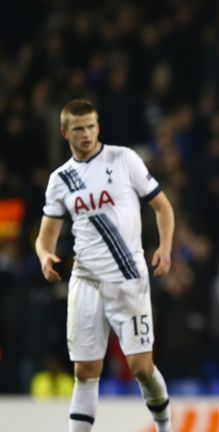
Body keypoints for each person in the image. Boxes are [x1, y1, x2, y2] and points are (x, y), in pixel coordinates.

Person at [35, 99, 175, 432]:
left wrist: (165, 248)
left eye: (91, 126)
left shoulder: (123, 159)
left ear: (98, 126)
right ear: (64, 132)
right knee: (85, 371)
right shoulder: (61, 179)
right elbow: (46, 235)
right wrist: (45, 256)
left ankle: (166, 427)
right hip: (85, 280)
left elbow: (163, 207)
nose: (86, 134)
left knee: (141, 367)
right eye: (79, 128)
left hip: (128, 277)